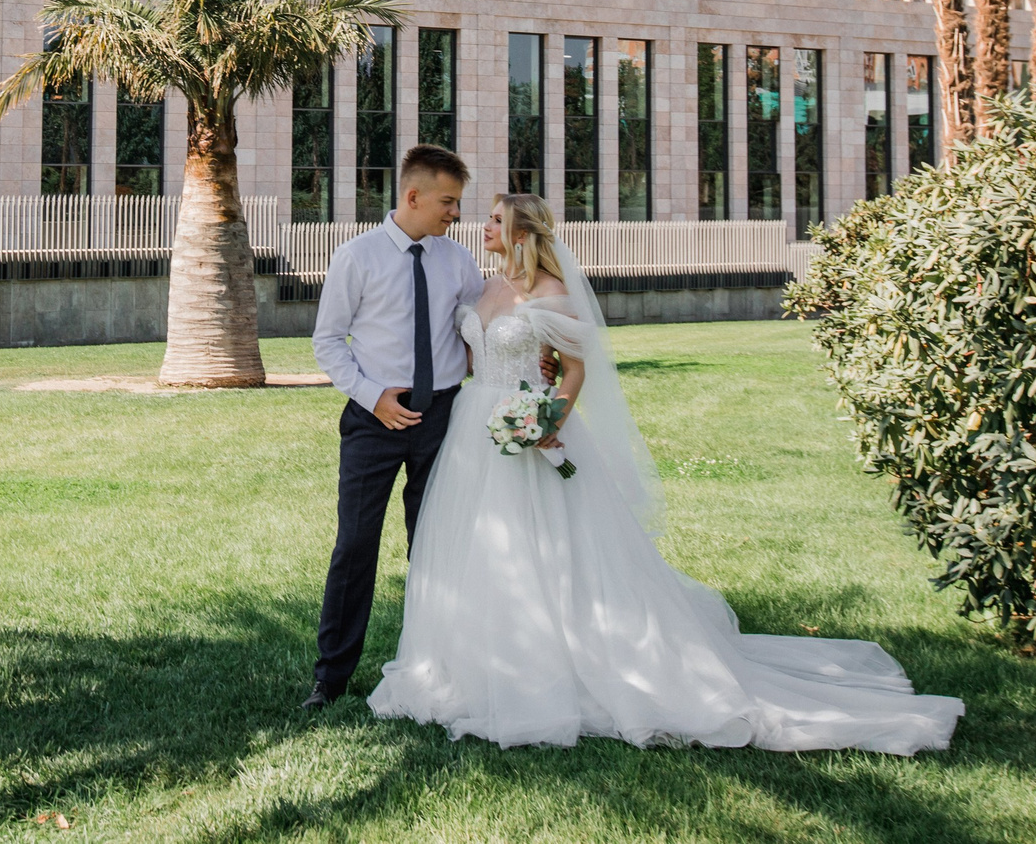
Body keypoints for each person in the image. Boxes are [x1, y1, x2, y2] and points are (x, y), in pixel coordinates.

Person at [365, 193, 967, 755]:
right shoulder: (488, 285)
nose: (485, 226)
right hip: (474, 426)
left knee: (545, 546)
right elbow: (478, 352)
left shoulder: (554, 293)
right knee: (477, 546)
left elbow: (575, 370)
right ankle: (473, 659)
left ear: (522, 232)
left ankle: (560, 665)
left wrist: (548, 419)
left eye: (497, 220)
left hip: (529, 430)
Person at [303, 144, 483, 710]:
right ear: (413, 196)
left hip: (444, 419)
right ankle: (330, 679)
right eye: (448, 202)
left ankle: (442, 667)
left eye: (458, 202)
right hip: (372, 420)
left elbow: (480, 329)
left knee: (436, 544)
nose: (456, 213)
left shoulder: (459, 261)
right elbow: (327, 341)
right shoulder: (357, 257)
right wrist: (372, 396)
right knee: (356, 544)